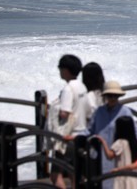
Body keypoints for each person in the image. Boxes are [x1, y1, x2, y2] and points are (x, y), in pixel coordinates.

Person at [82, 80, 137, 189]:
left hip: (119, 157)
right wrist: (75, 137)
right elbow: (89, 130)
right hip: (99, 155)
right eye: (110, 95)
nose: (113, 98)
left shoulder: (125, 111)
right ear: (105, 96)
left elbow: (136, 133)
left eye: (116, 96)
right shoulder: (99, 111)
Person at [50, 54, 88, 189]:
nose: (59, 71)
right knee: (74, 175)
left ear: (66, 70)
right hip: (81, 135)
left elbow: (65, 113)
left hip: (67, 137)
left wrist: (54, 109)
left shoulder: (68, 89)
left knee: (55, 175)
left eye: (60, 68)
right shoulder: (82, 86)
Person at [98, 116, 137, 189]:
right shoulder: (136, 142)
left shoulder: (120, 142)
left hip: (122, 177)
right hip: (135, 178)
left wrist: (103, 142)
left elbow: (110, 156)